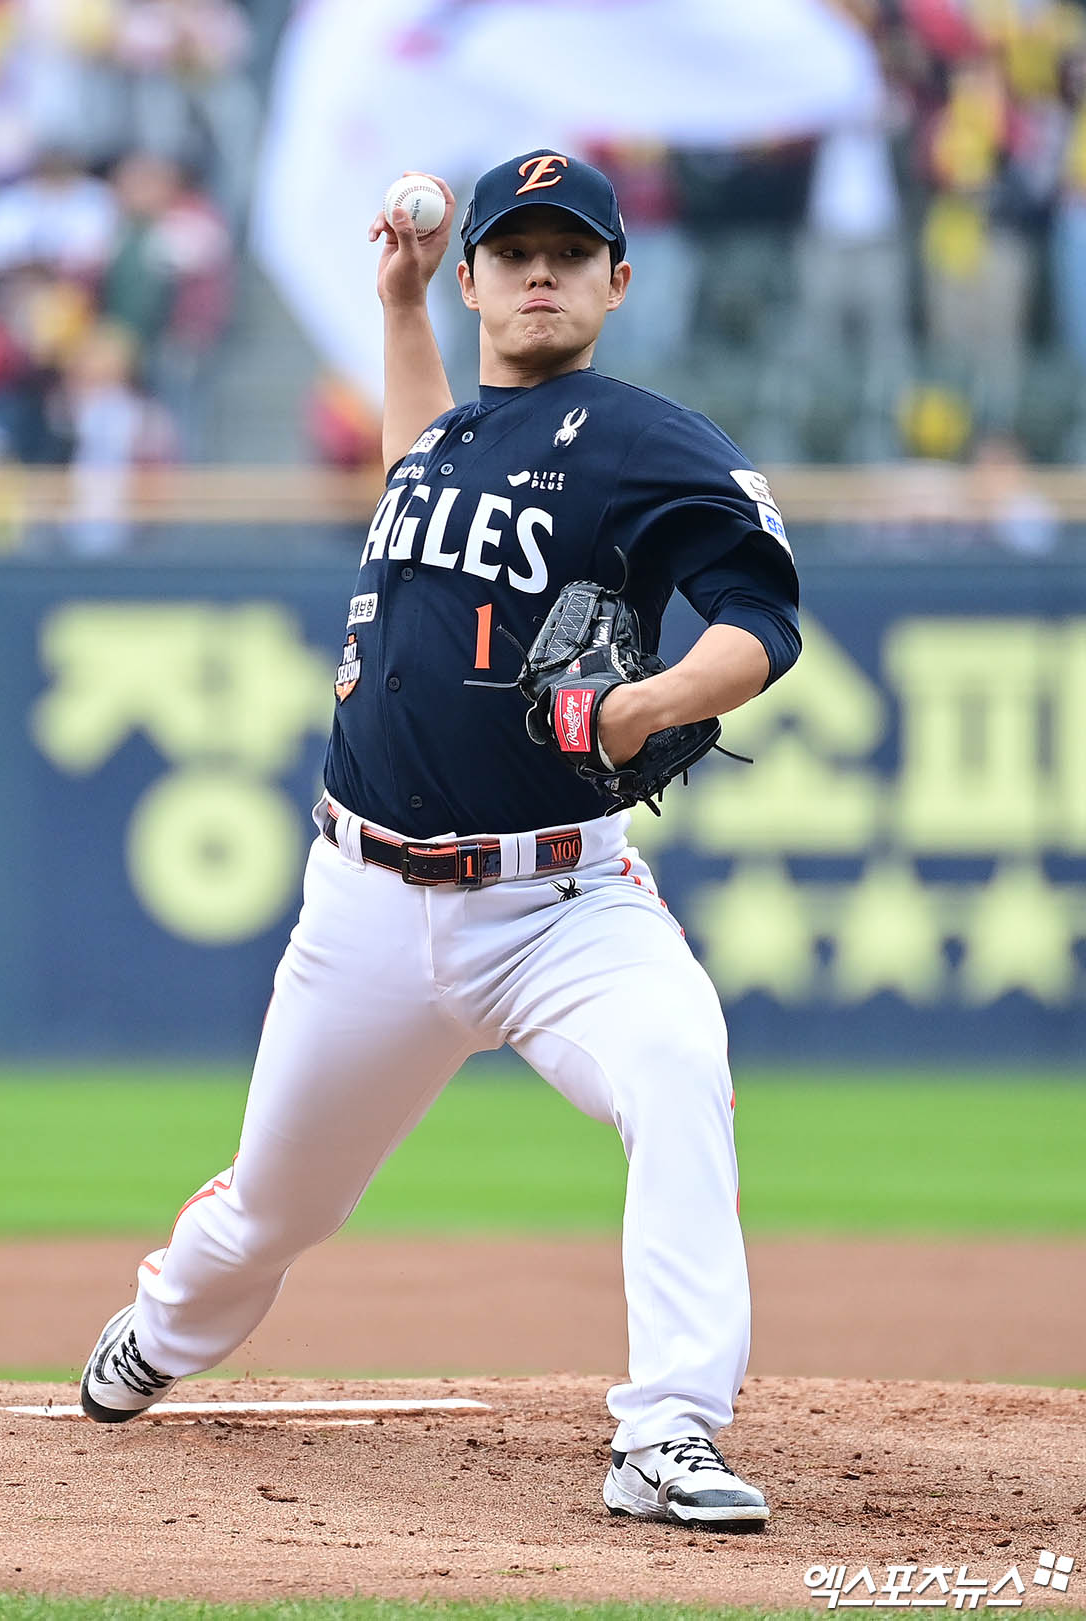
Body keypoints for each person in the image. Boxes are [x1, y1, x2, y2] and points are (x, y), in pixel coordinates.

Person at [79, 151, 801, 1532]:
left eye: (570, 250)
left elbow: (757, 620)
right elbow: (423, 456)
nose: (541, 269)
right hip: (363, 903)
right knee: (268, 1214)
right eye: (514, 248)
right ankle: (164, 1327)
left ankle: (670, 1429)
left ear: (615, 281)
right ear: (473, 273)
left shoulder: (649, 439)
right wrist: (402, 309)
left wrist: (647, 701)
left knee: (678, 1058)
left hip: (560, 903)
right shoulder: (452, 437)